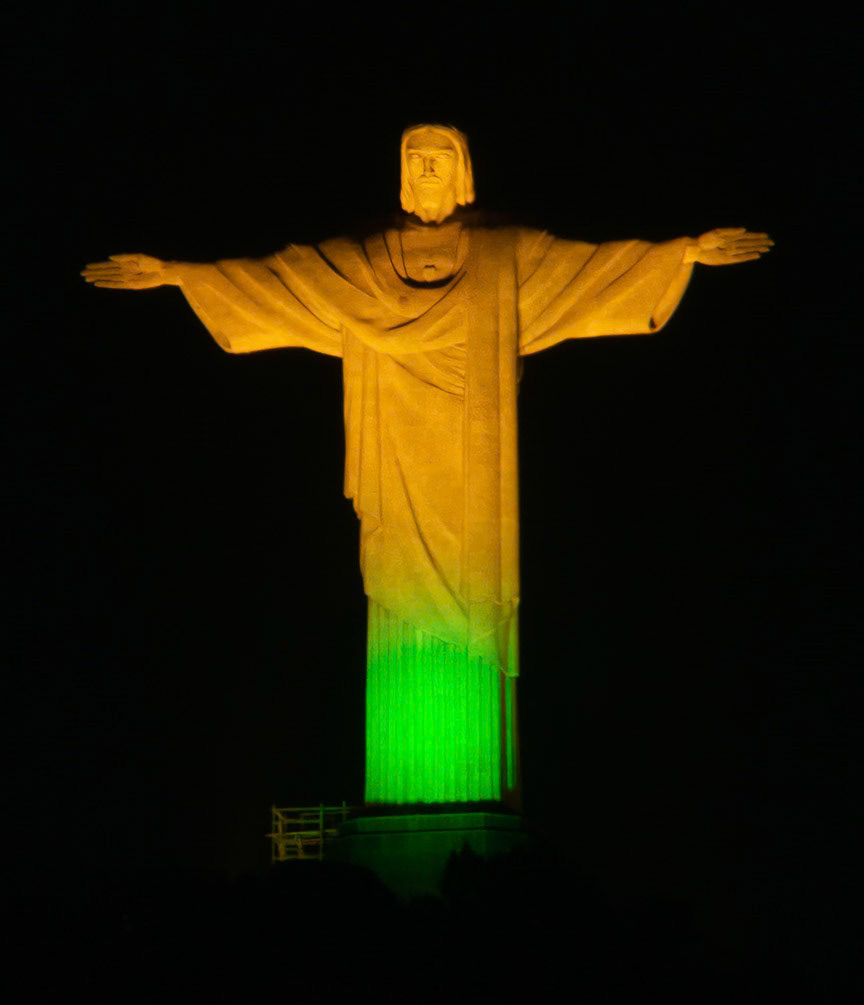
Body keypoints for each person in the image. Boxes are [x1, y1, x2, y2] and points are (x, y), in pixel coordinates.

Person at [82, 124, 773, 810]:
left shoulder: (505, 255)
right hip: (395, 461)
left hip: (475, 473)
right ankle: (407, 800)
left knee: (474, 598)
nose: (430, 170)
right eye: (418, 160)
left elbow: (595, 270)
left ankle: (471, 797)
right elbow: (277, 279)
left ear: (464, 171)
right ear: (402, 174)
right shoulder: (362, 261)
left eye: (442, 159)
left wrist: (684, 252)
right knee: (396, 588)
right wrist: (178, 273)